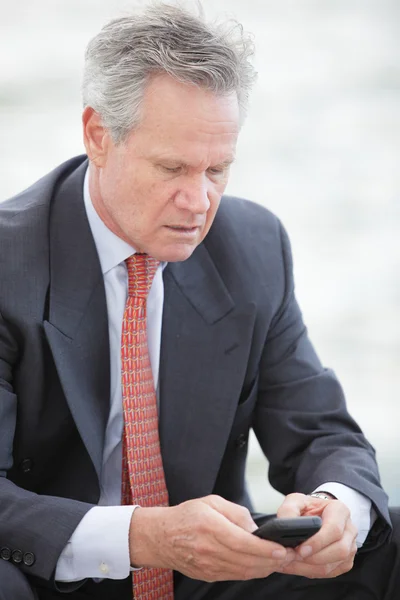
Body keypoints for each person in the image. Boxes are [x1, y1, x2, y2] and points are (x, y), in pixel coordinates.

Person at [0, 3, 398, 599]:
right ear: (97, 135)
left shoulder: (254, 247)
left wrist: (336, 508)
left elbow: (322, 435)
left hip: (205, 576)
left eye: (218, 169)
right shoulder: (11, 264)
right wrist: (143, 538)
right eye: (172, 168)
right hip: (42, 574)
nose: (198, 201)